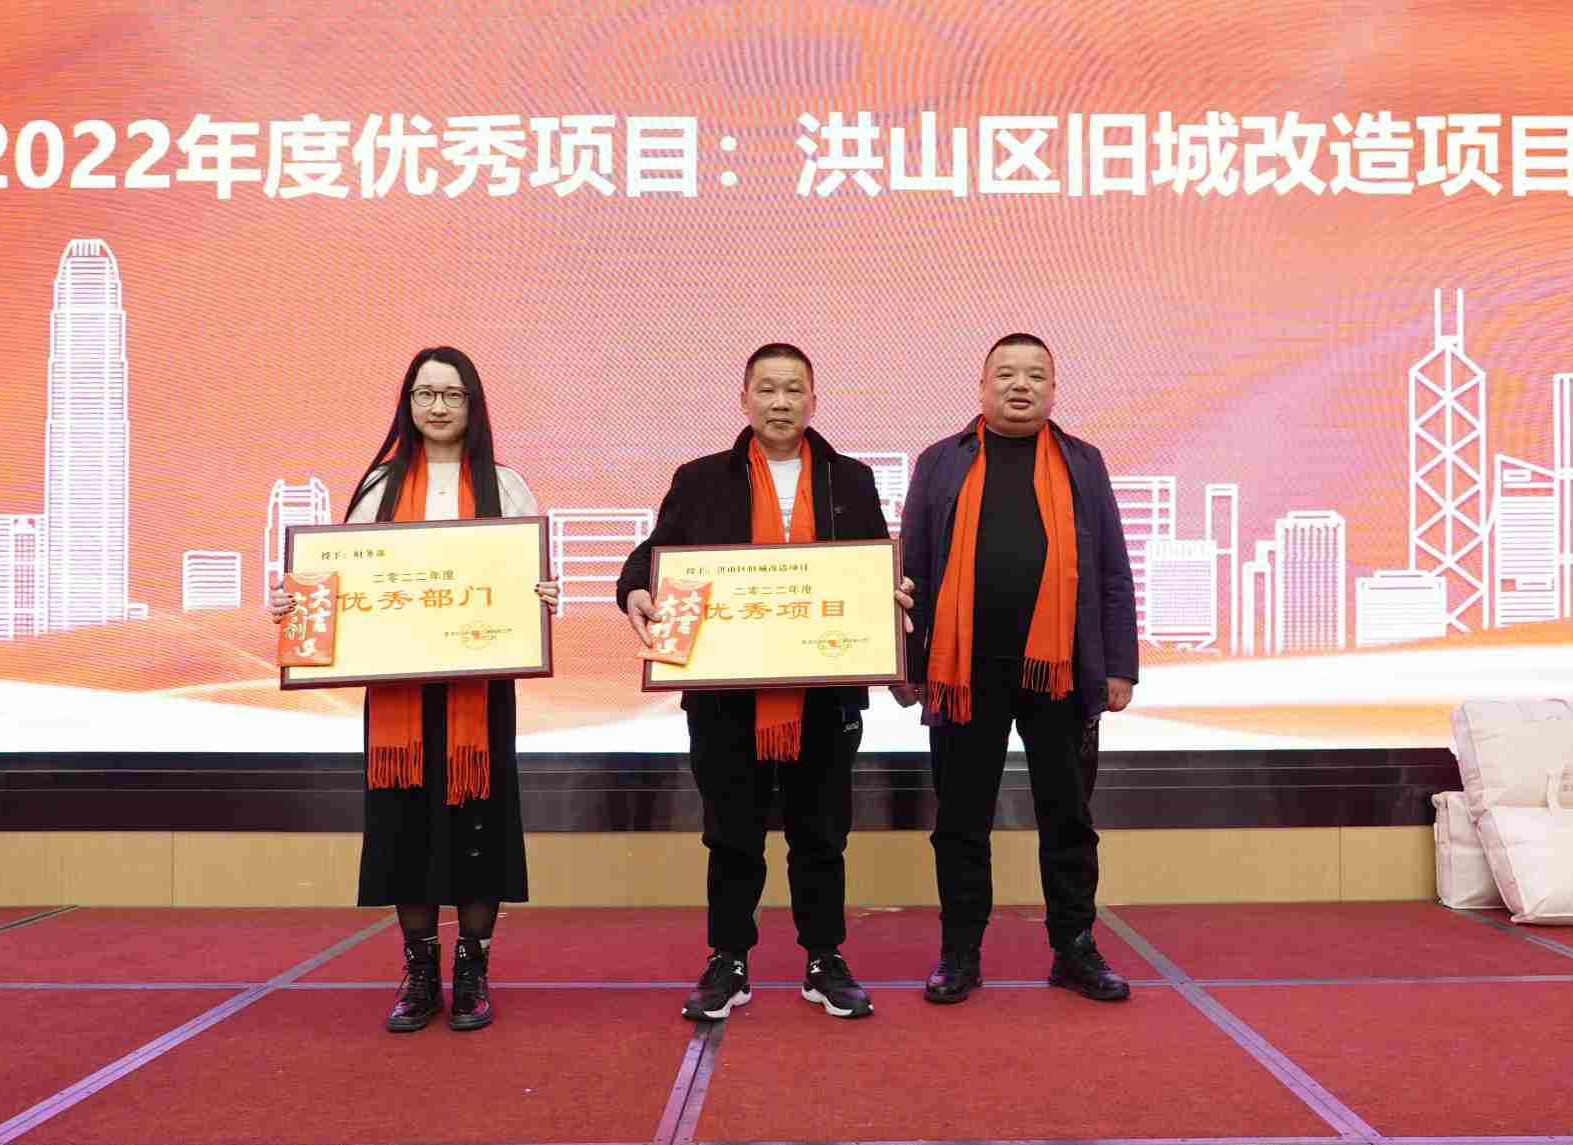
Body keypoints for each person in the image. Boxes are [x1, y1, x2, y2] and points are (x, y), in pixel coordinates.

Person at [617, 343, 913, 1022]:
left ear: (814, 399)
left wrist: (890, 595)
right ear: (744, 399)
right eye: (768, 389)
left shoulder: (850, 479)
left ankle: (824, 958)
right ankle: (728, 959)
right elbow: (652, 555)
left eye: (793, 390)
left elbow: (874, 567)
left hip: (825, 695)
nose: (781, 403)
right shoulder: (700, 478)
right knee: (731, 836)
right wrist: (634, 587)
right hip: (726, 700)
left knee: (822, 835)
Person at [270, 346, 558, 1034]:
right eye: (424, 393)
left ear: (473, 404)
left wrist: (543, 595)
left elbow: (528, 582)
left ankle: (472, 970)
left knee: (479, 827)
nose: (437, 406)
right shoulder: (378, 487)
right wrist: (294, 603)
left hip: (479, 693)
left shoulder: (506, 486)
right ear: (407, 403)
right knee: (406, 829)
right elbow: (337, 583)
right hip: (399, 695)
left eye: (451, 394)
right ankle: (421, 971)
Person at [892, 333, 1138, 1005]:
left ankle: (1074, 948)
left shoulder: (1083, 462)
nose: (1019, 385)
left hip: (1061, 672)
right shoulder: (941, 461)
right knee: (960, 820)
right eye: (1005, 374)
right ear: (982, 386)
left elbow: (1112, 569)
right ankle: (960, 952)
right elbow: (911, 567)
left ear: (1053, 390)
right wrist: (906, 663)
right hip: (961, 672)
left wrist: (1119, 664)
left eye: (1035, 375)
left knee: (1068, 817)